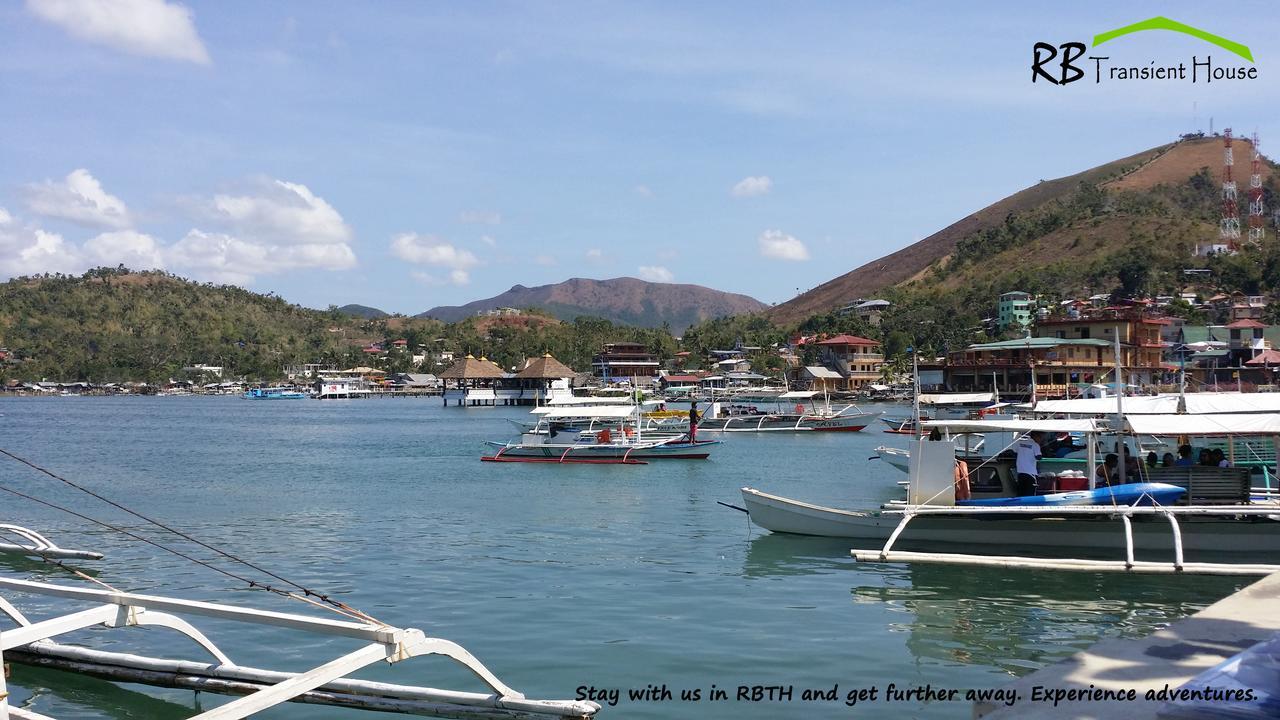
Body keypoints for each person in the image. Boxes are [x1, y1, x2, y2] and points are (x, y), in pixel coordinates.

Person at [1013, 431, 1042, 496]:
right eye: (1040, 437)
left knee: (1021, 493)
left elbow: (1015, 452)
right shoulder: (1035, 445)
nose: (1041, 439)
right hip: (1031, 473)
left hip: (1020, 472)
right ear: (1035, 436)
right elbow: (1039, 457)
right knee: (1030, 494)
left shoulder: (1019, 443)